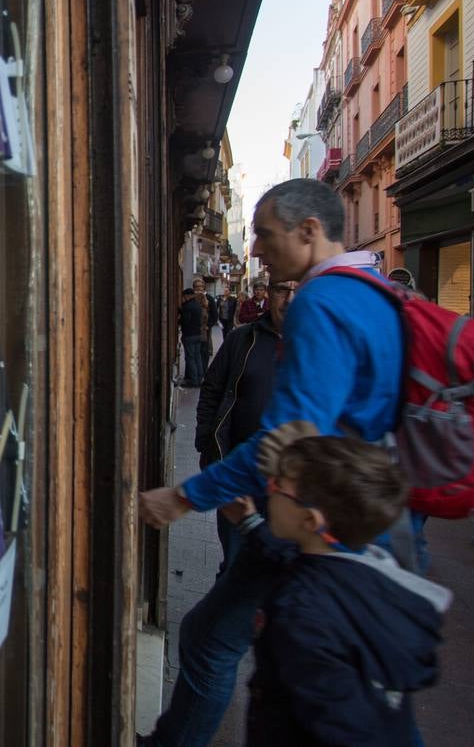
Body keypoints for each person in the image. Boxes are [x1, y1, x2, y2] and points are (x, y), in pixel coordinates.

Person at [138, 178, 406, 747]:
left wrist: (186, 494)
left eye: (265, 234)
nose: (255, 249)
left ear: (309, 232)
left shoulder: (323, 300)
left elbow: (293, 434)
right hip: (352, 519)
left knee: (226, 647)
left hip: (314, 523)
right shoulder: (374, 293)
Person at [238, 435, 450, 746]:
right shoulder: (370, 571)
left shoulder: (302, 614)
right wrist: (252, 524)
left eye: (278, 485)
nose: (268, 487)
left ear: (310, 519)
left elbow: (343, 728)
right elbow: (298, 562)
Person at [195, 281, 293, 573]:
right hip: (238, 477)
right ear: (268, 295)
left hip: (291, 488)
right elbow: (212, 389)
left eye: (300, 291)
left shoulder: (321, 345)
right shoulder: (242, 339)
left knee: (279, 571)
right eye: (282, 291)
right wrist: (207, 444)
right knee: (236, 565)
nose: (290, 300)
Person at [178, 286, 208, 387]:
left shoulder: (187, 306)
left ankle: (194, 381)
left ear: (187, 296)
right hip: (198, 334)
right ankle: (200, 379)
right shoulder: (197, 305)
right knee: (197, 357)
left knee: (190, 358)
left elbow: (185, 321)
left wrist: (179, 318)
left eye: (184, 296)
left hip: (189, 335)